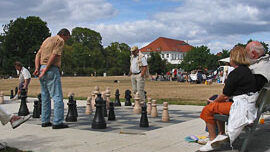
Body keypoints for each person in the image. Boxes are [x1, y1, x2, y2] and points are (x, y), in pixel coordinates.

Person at [199, 46, 263, 151]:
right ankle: (221, 134)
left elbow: (225, 95)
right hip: (248, 105)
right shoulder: (247, 71)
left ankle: (212, 140)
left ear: (234, 58)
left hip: (242, 107)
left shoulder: (235, 73)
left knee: (208, 109)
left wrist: (213, 102)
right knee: (216, 104)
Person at [33, 28, 70, 129]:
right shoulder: (60, 40)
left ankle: (45, 121)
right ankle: (57, 122)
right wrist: (47, 69)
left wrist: (37, 68)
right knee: (57, 96)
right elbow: (54, 55)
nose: (67, 40)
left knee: (45, 97)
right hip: (51, 69)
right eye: (68, 37)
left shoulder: (47, 40)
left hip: (41, 67)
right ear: (64, 35)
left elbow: (38, 55)